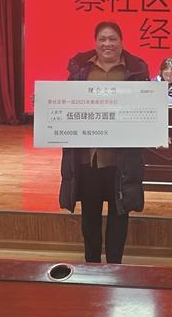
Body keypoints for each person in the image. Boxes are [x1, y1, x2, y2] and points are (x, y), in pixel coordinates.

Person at [59, 21, 150, 264]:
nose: (107, 44)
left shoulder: (136, 73)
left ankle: (114, 267)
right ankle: (91, 265)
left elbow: (148, 108)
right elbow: (66, 103)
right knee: (90, 215)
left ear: (121, 42)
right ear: (95, 42)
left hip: (122, 159)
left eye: (112, 39)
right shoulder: (81, 72)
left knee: (120, 214)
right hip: (89, 158)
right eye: (102, 39)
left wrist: (156, 129)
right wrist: (46, 103)